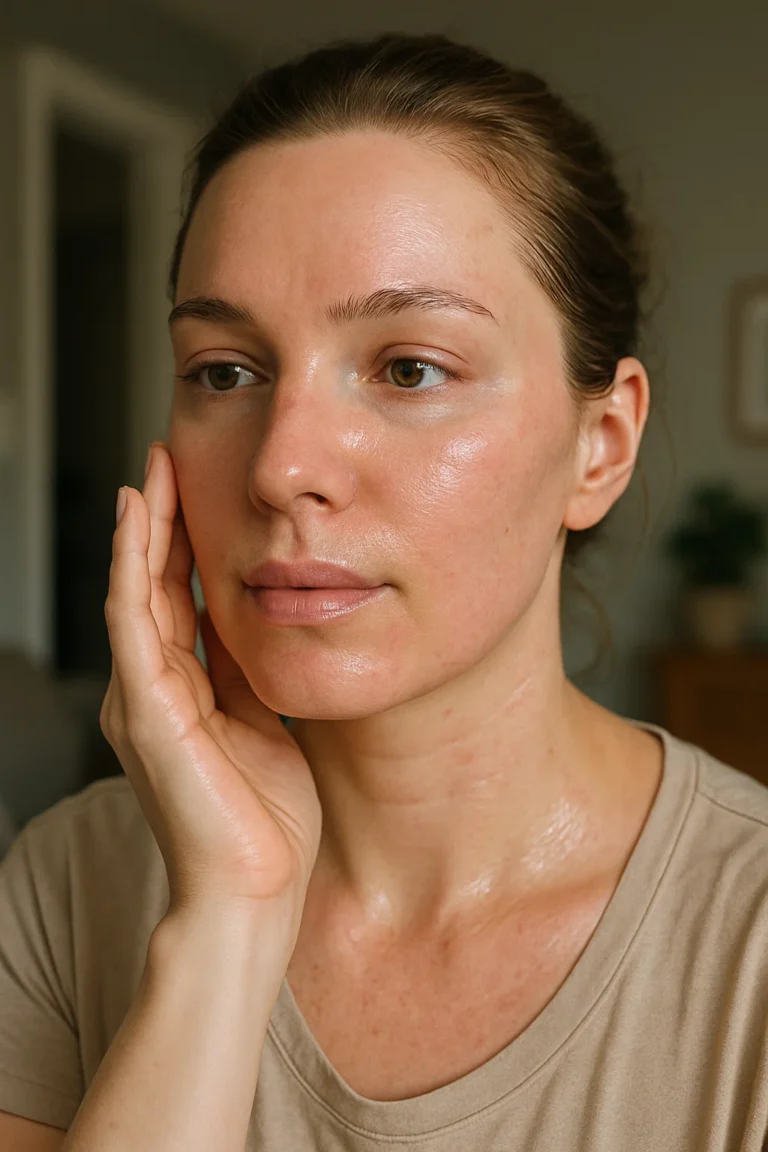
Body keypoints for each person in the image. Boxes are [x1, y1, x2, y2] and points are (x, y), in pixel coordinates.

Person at [1, 31, 768, 1152]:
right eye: (225, 371)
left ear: (600, 446)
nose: (280, 466)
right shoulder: (65, 888)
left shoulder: (747, 947)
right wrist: (227, 923)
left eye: (410, 368)